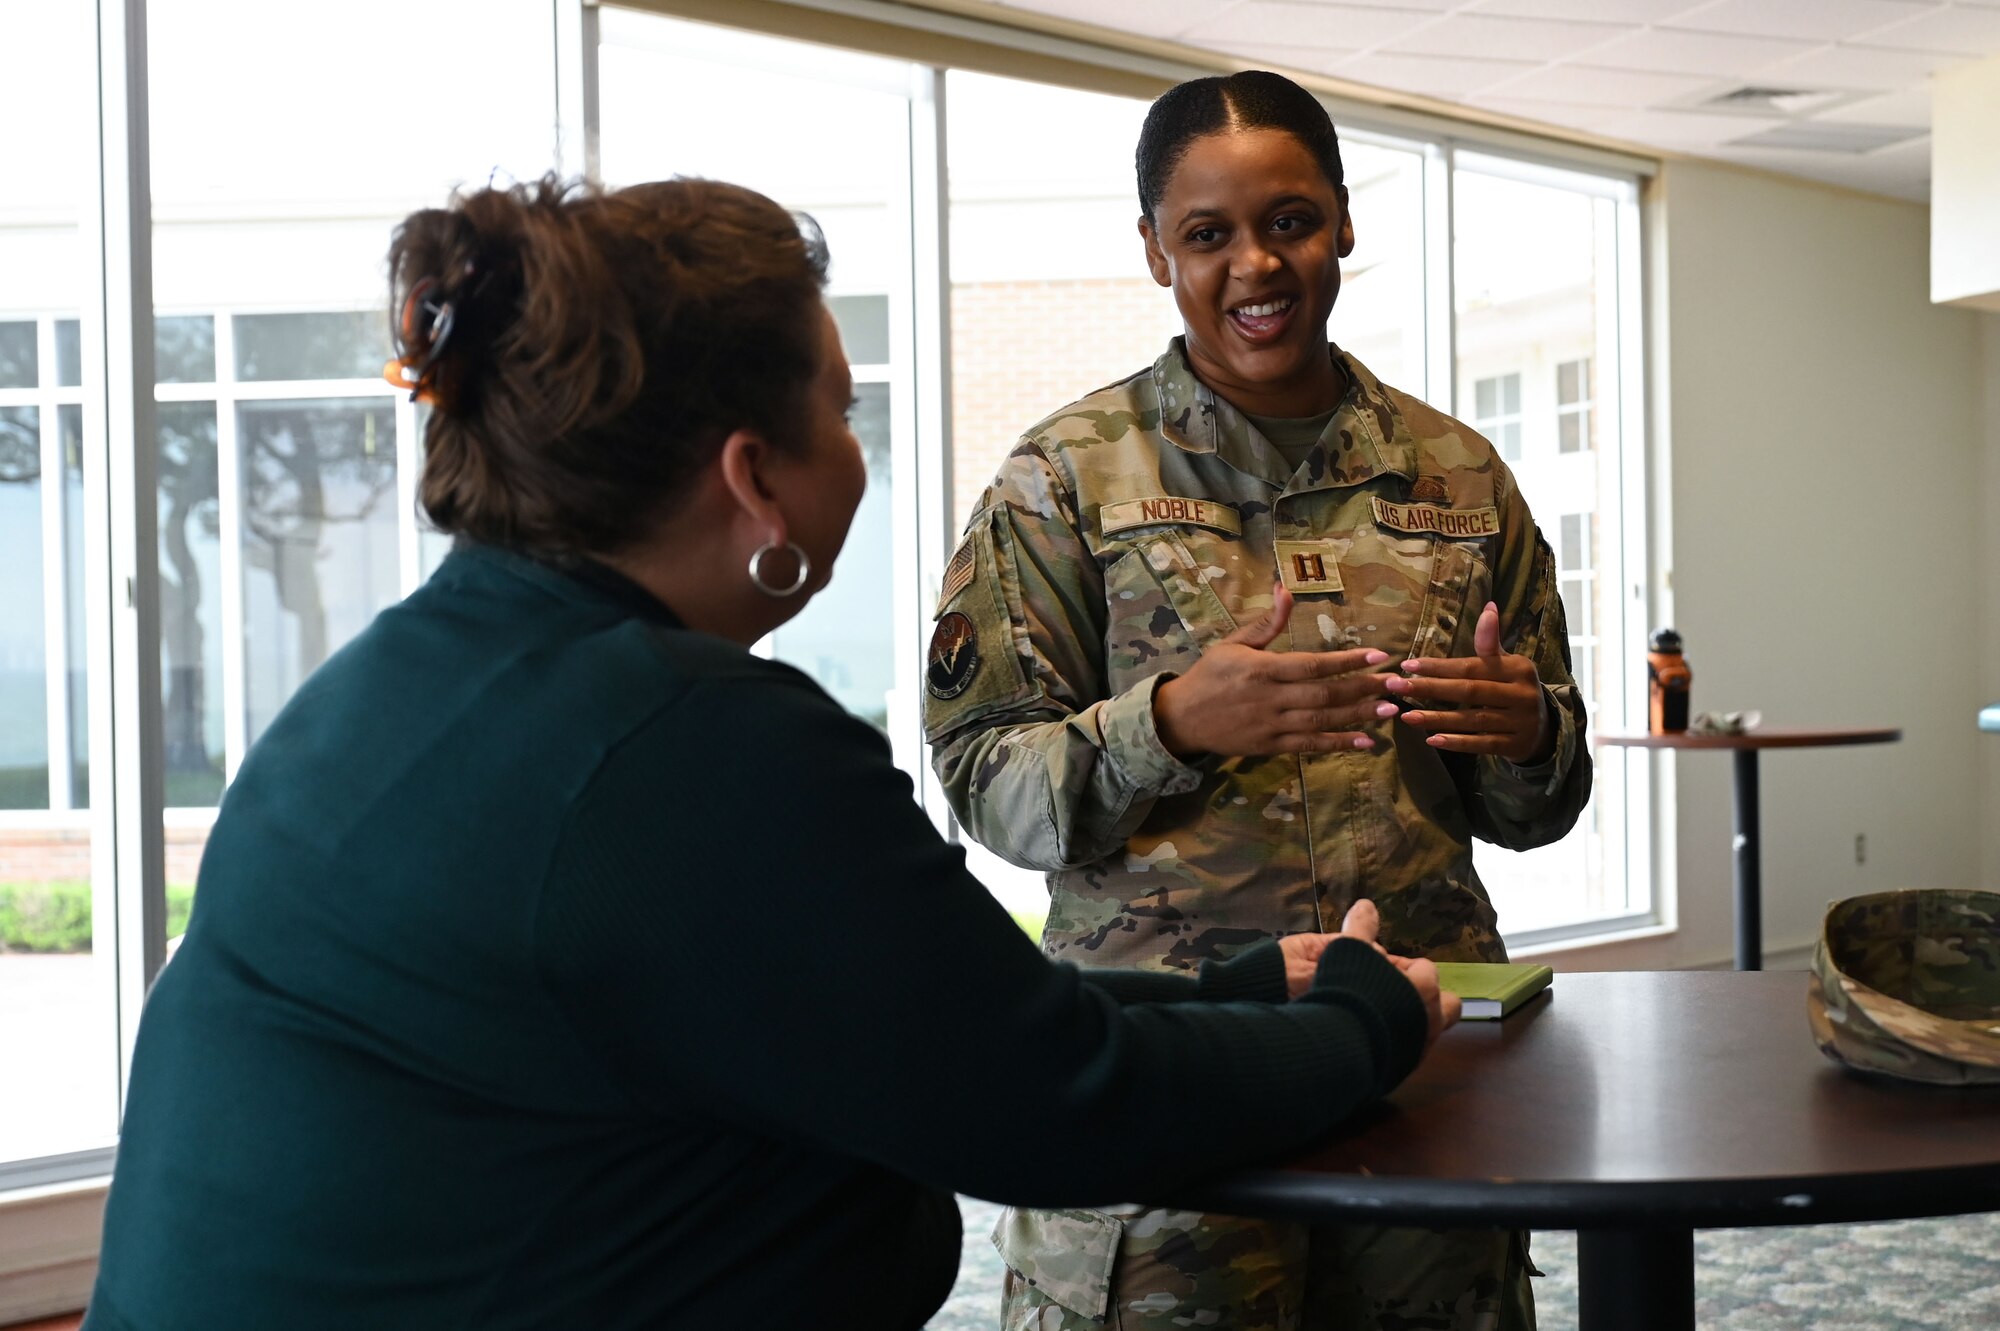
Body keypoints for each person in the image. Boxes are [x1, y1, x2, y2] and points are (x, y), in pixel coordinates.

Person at [81, 176, 1458, 1331]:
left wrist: (1229, 991)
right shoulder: (689, 743)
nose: (858, 452)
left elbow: (912, 1016)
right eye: (842, 410)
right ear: (755, 476)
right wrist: (1364, 1021)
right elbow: (1061, 1110)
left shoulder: (398, 679)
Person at [924, 71, 1591, 1330]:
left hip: (1415, 1048)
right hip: (1173, 1064)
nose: (1254, 267)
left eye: (1287, 220)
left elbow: (1537, 803)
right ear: (1153, 252)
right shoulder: (1062, 478)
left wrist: (1526, 732)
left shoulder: (1456, 475)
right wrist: (1169, 722)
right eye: (1207, 235)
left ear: (1341, 221)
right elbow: (981, 784)